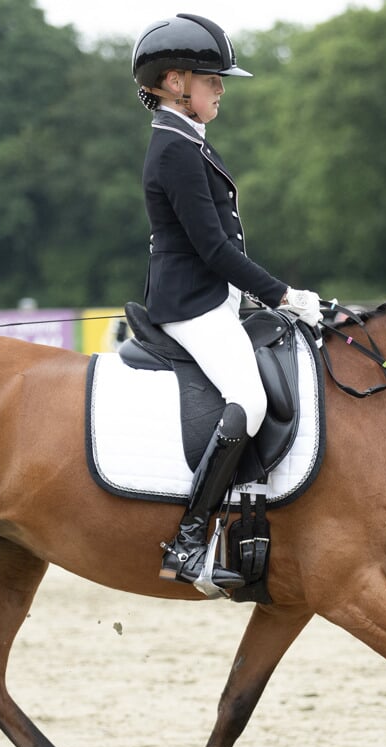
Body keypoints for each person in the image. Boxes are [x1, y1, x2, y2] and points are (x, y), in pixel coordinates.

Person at [132, 13, 323, 590]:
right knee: (250, 397)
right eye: (212, 78)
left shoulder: (187, 141)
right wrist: (283, 295)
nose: (221, 88)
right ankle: (190, 540)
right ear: (173, 83)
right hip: (192, 303)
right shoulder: (174, 149)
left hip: (213, 298)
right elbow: (213, 247)